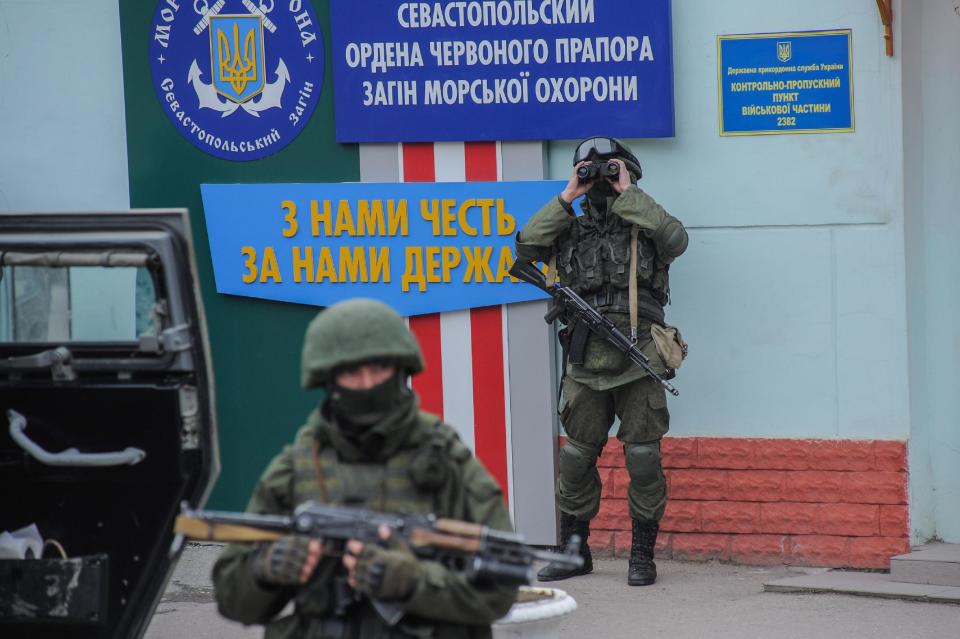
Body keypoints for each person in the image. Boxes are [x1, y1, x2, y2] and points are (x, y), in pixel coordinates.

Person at [212, 299, 518, 638]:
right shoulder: (296, 468)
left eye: (379, 369)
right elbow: (232, 600)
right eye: (351, 372)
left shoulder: (445, 459)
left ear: (401, 369)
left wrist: (414, 582)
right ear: (328, 379)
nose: (367, 383)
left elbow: (501, 588)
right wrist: (265, 571)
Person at [514, 137, 688, 586]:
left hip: (639, 352)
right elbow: (526, 246)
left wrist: (628, 192)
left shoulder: (645, 223)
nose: (600, 180)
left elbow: (676, 239)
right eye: (591, 171)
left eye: (608, 170)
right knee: (576, 457)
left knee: (644, 457)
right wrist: (566, 195)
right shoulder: (567, 226)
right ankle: (574, 553)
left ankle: (641, 555)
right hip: (585, 355)